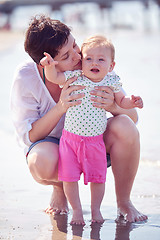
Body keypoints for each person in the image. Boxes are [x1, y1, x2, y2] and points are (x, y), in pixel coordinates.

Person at [10, 15, 147, 224]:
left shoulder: (92, 61)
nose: (77, 56)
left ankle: (124, 201)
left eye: (74, 45)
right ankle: (60, 188)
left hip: (93, 142)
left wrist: (112, 105)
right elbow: (29, 136)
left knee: (126, 127)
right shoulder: (26, 77)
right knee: (41, 161)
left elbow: (133, 118)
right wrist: (61, 107)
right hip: (57, 147)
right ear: (45, 62)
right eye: (66, 56)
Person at [40, 35, 143, 225]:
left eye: (101, 60)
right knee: (69, 178)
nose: (94, 62)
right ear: (82, 61)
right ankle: (77, 210)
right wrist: (48, 66)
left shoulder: (111, 81)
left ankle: (96, 210)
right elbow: (55, 77)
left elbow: (122, 102)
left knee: (97, 179)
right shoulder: (75, 76)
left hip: (95, 142)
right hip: (70, 141)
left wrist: (132, 102)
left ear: (111, 66)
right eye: (88, 58)